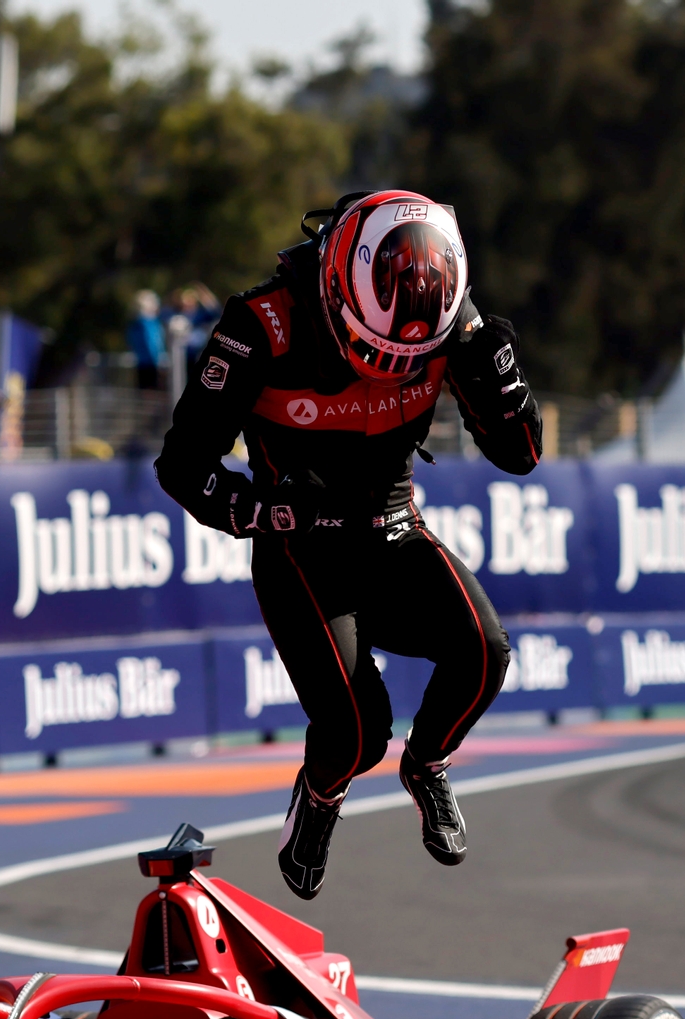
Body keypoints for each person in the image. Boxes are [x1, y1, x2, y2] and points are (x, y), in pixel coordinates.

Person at [154, 189, 542, 899]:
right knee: (359, 729)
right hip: (302, 550)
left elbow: (521, 455)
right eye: (366, 350)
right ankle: (322, 794)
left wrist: (502, 382)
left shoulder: (456, 319)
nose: (382, 369)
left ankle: (427, 764)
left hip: (393, 528)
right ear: (336, 287)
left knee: (485, 651)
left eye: (404, 358)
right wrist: (265, 509)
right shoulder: (261, 326)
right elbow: (182, 466)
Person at [127, 290, 165, 390]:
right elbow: (152, 343)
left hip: (144, 363)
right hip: (150, 364)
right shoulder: (146, 323)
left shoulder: (138, 322)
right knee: (150, 394)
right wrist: (159, 362)